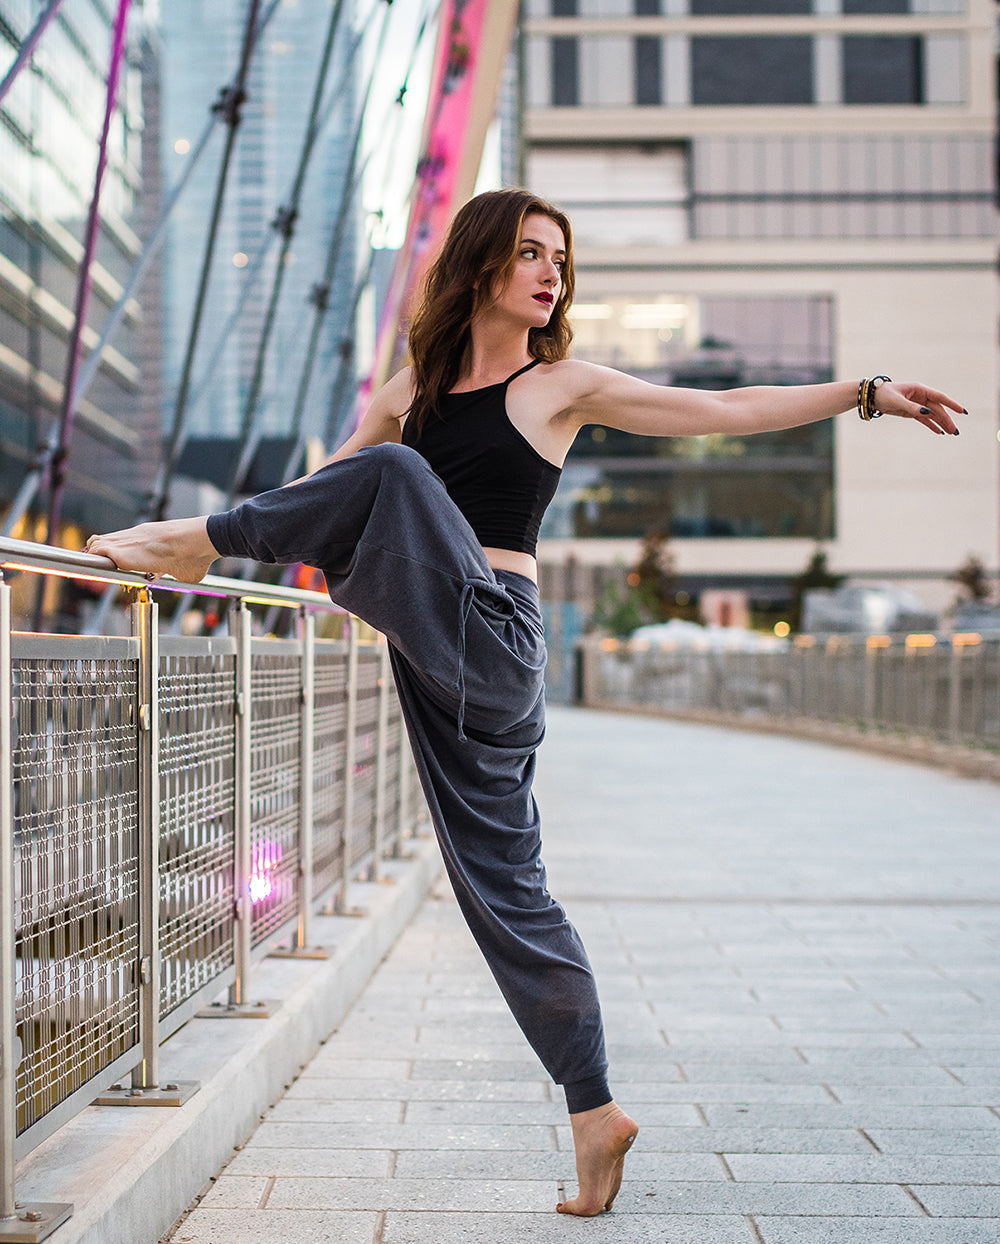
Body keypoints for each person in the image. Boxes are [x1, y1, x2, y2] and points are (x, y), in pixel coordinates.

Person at [86, 188, 964, 1215]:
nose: (550, 273)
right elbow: (312, 515)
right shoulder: (404, 397)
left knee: (395, 469)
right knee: (504, 891)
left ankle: (181, 541)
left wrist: (866, 390)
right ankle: (594, 1112)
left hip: (496, 641)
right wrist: (273, 552)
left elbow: (723, 411)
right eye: (528, 253)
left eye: (558, 257)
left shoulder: (558, 387)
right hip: (432, 661)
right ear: (479, 266)